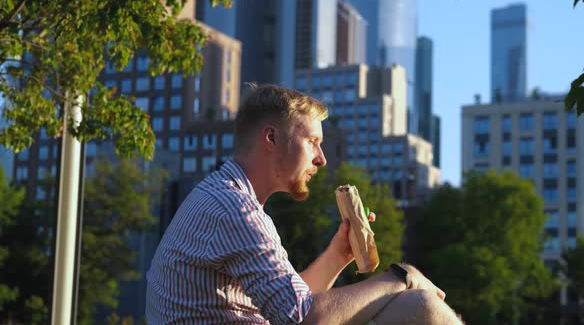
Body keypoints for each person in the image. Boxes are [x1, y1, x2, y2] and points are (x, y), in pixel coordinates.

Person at [145, 84, 463, 324]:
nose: (321, 159)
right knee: (422, 306)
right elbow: (305, 317)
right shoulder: (235, 210)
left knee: (416, 306)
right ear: (270, 138)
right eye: (312, 142)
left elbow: (291, 302)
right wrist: (400, 276)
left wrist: (339, 254)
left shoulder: (223, 197)